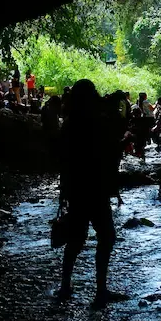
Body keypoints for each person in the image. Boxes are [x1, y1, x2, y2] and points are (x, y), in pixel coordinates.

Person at [57, 79, 117, 307]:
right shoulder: (97, 121)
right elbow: (107, 152)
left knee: (75, 239)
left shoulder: (70, 123)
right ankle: (100, 289)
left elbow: (64, 160)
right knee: (106, 237)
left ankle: (65, 286)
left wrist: (64, 191)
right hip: (96, 189)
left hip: (77, 189)